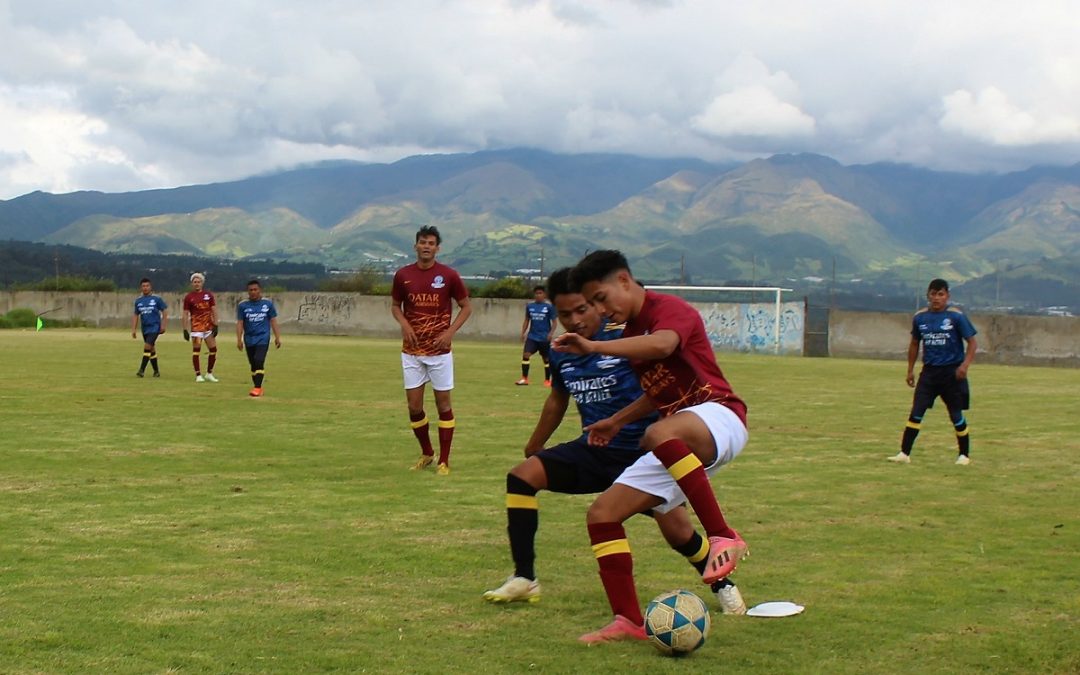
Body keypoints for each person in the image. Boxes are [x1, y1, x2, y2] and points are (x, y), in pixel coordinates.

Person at [483, 268, 746, 616]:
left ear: (598, 304)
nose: (575, 320)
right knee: (522, 477)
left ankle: (722, 584)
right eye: (565, 314)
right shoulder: (562, 350)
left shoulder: (628, 338)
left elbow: (664, 384)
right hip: (595, 449)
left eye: (583, 309)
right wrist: (536, 444)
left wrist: (634, 420)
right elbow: (558, 398)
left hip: (645, 450)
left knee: (679, 532)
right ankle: (524, 577)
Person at [553, 250, 749, 644]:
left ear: (624, 281)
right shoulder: (630, 331)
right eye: (593, 304)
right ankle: (627, 620)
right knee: (603, 514)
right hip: (678, 438)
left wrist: (594, 347)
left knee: (658, 434)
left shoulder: (669, 309)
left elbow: (662, 345)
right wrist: (617, 420)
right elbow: (659, 391)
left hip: (721, 416)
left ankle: (723, 535)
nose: (600, 310)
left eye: (601, 298)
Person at [391, 225, 472, 475]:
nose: (426, 246)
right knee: (414, 406)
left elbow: (466, 307)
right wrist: (405, 325)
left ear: (438, 248)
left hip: (439, 353)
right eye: (423, 242)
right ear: (415, 245)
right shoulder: (403, 275)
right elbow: (395, 305)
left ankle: (444, 461)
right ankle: (427, 453)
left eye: (431, 243)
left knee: (443, 405)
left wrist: (450, 333)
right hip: (412, 352)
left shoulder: (449, 275)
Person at [889, 279, 978, 466]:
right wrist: (910, 370)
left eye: (940, 294)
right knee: (916, 411)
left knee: (955, 415)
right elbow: (915, 343)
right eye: (933, 294)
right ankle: (904, 453)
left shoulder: (956, 316)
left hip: (952, 373)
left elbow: (972, 342)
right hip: (929, 374)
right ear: (928, 295)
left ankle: (964, 455)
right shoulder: (920, 317)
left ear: (947, 296)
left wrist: (965, 365)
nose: (936, 298)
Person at [235, 279, 282, 398]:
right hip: (249, 338)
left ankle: (257, 387)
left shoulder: (267, 304)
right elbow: (240, 323)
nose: (253, 292)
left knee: (259, 360)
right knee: (253, 364)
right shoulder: (243, 306)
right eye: (250, 290)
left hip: (263, 337)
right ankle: (257, 387)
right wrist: (239, 339)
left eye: (255, 289)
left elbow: (273, 321)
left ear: (260, 290)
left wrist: (277, 337)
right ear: (248, 291)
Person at [182, 272, 220, 383]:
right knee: (196, 351)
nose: (197, 284)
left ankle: (209, 373)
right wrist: (185, 329)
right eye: (195, 282)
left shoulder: (208, 295)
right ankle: (198, 375)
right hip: (196, 328)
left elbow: (214, 310)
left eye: (198, 282)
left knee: (213, 349)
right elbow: (185, 313)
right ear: (192, 283)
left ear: (202, 283)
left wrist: (216, 324)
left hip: (208, 327)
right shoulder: (189, 297)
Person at [516, 285, 555, 386]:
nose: (538, 295)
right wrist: (523, 332)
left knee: (546, 359)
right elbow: (526, 320)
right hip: (532, 337)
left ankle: (547, 380)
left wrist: (550, 333)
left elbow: (554, 322)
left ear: (544, 295)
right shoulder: (530, 306)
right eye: (536, 293)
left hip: (544, 338)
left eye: (540, 293)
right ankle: (524, 378)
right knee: (526, 355)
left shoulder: (549, 307)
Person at [131, 277, 167, 378]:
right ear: (141, 288)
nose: (145, 288)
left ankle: (141, 370)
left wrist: (163, 325)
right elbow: (136, 315)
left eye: (147, 286)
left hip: (155, 327)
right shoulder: (138, 301)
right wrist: (133, 329)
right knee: (151, 349)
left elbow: (165, 311)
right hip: (145, 328)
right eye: (143, 286)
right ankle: (156, 371)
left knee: (147, 346)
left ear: (151, 287)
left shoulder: (157, 299)